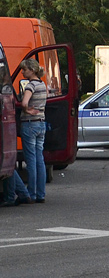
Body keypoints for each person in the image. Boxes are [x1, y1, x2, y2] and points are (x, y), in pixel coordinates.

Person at [17, 59, 48, 204]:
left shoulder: (30, 86)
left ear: (32, 70)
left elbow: (24, 102)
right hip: (41, 123)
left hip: (29, 124)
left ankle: (32, 193)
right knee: (39, 159)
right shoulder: (42, 85)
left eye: (25, 70)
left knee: (30, 160)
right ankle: (41, 194)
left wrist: (26, 109)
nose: (23, 72)